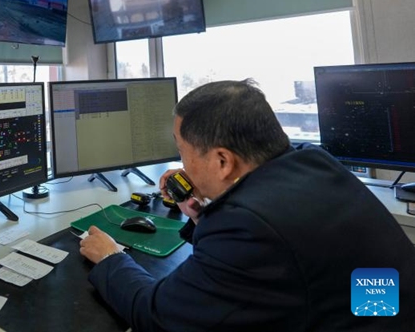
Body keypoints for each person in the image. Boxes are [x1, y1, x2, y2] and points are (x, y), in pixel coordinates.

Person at [79, 79, 415, 331]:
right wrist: (201, 213)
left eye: (183, 152)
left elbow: (159, 316)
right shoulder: (315, 161)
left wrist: (111, 258)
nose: (182, 164)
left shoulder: (247, 228)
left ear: (223, 161)